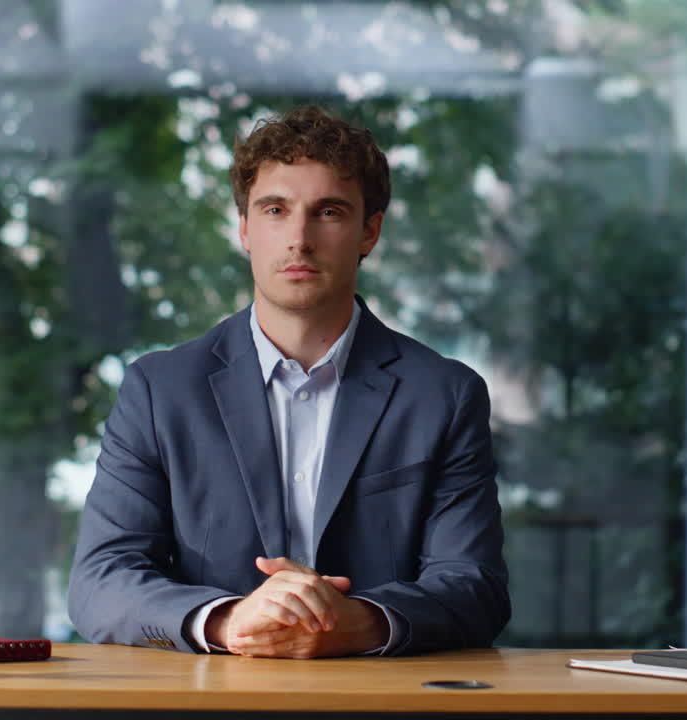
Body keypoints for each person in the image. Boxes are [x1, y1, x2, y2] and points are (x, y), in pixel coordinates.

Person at [68, 106, 509, 658]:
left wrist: (364, 622)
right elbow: (100, 581)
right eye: (276, 210)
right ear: (246, 229)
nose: (299, 238)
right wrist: (228, 621)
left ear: (369, 230)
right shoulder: (160, 391)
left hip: (380, 702)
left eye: (328, 211)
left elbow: (476, 586)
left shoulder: (443, 395)